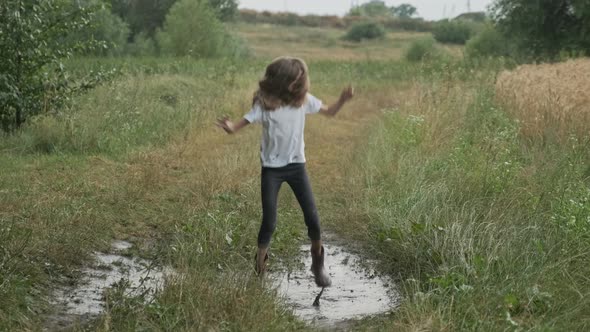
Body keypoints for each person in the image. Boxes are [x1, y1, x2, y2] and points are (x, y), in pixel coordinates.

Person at [216, 56, 354, 287]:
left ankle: (318, 265)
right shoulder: (264, 106)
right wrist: (229, 127)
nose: (299, 84)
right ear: (282, 80)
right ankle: (260, 266)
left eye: (301, 80)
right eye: (296, 80)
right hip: (272, 170)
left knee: (313, 219)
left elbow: (329, 112)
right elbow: (237, 126)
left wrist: (342, 100)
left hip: (296, 166)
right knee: (269, 220)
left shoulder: (303, 101)